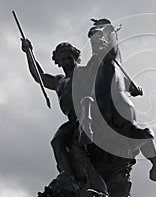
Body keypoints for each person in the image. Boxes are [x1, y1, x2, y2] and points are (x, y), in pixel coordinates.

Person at [87, 18, 156, 184]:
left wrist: (105, 25)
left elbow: (105, 41)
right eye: (93, 44)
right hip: (100, 105)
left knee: (139, 133)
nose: (95, 46)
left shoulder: (111, 60)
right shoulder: (95, 64)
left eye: (98, 42)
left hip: (116, 105)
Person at [21, 40, 108, 196]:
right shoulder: (59, 81)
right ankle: (68, 177)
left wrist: (100, 39)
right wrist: (29, 53)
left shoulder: (85, 72)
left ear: (75, 57)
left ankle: (97, 184)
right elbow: (39, 76)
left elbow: (98, 59)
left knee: (78, 148)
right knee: (57, 141)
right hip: (72, 121)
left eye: (69, 58)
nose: (67, 62)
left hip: (88, 116)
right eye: (63, 59)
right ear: (58, 62)